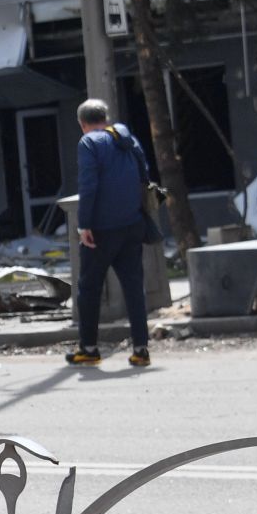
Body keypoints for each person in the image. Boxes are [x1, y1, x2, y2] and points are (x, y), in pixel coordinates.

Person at [66, 98, 154, 368]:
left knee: (89, 288)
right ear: (106, 117)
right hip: (132, 224)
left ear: (82, 124)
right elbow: (145, 176)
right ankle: (141, 349)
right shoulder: (128, 140)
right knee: (133, 287)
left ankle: (89, 348)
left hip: (102, 230)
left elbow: (88, 186)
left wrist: (84, 225)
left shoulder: (89, 143)